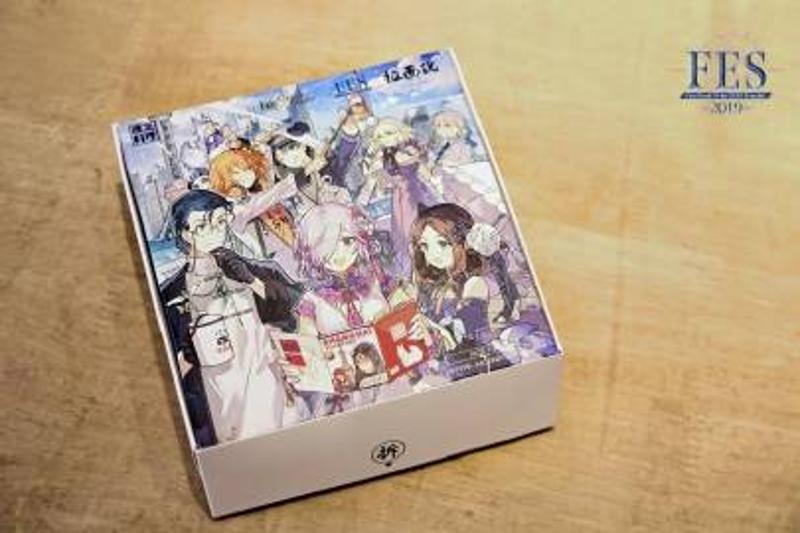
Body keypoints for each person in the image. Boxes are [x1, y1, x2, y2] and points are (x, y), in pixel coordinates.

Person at [159, 189, 303, 445]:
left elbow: (295, 307)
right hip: (220, 405)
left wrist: (250, 279)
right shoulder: (171, 294)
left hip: (272, 390)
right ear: (184, 234)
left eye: (219, 221)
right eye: (202, 226)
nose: (215, 231)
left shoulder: (257, 270)